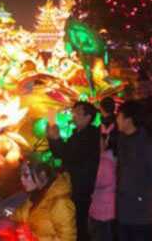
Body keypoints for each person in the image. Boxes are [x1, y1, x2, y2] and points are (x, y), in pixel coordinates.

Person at [116, 101, 152, 241]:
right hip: (123, 211)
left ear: (128, 120)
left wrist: (145, 198)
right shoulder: (121, 140)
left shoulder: (149, 144)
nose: (117, 120)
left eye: (119, 116)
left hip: (142, 214)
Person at [48, 101, 101, 241]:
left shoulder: (90, 135)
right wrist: (53, 139)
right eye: (73, 112)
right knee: (75, 222)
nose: (73, 116)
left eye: (77, 113)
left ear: (88, 117)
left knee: (78, 223)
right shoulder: (77, 134)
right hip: (74, 184)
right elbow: (60, 154)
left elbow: (71, 156)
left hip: (81, 186)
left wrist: (56, 139)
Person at [13, 160, 76, 240]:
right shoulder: (36, 197)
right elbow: (20, 214)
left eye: (26, 175)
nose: (21, 179)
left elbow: (67, 239)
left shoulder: (60, 203)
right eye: (21, 175)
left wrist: (32, 238)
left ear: (42, 174)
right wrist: (7, 214)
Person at [89, 97, 118, 241]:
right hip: (114, 159)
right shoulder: (116, 123)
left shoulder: (101, 126)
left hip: (103, 209)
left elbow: (97, 183)